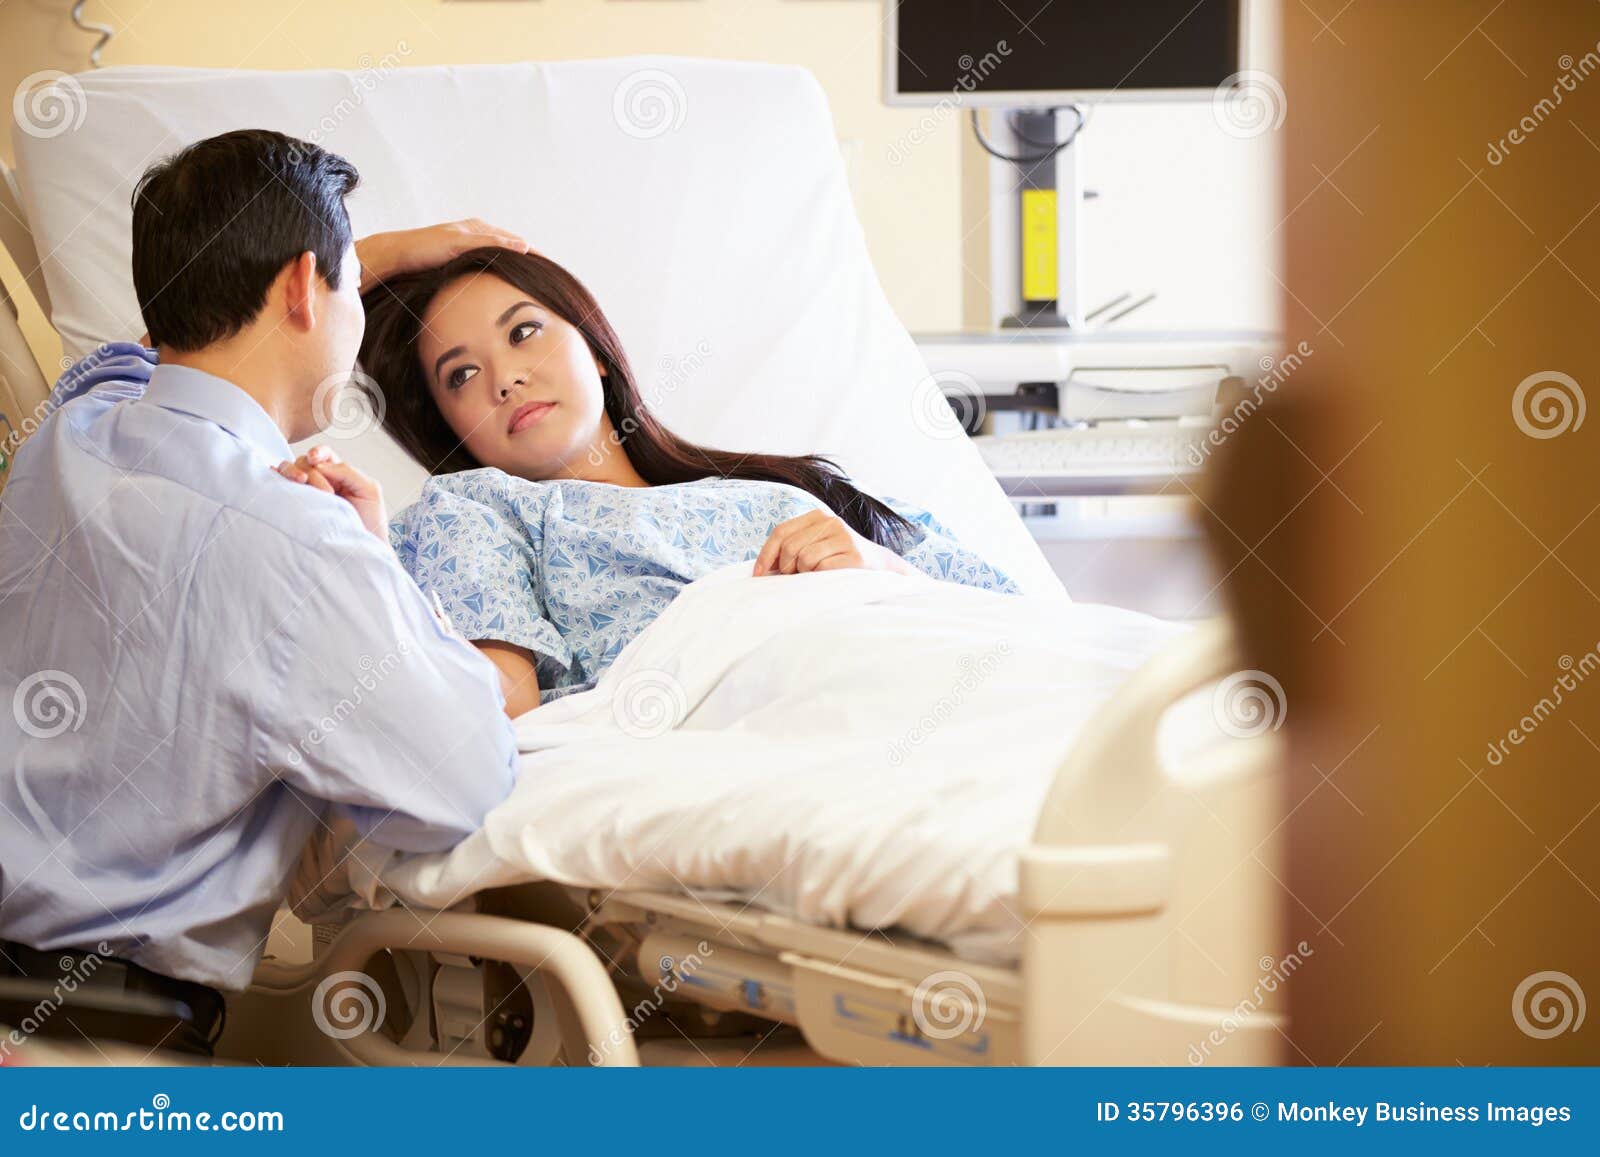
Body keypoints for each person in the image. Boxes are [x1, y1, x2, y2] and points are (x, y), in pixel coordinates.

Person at [0, 128, 528, 1055]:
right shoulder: (306, 547)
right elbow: (464, 780)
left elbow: (148, 351)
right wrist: (379, 569)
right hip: (86, 1060)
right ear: (300, 285)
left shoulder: (66, 434)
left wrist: (354, 258)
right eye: (351, 277)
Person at [352, 247, 1019, 716]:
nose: (504, 377)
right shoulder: (473, 511)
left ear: (597, 351)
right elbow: (492, 723)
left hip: (937, 682)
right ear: (450, 427)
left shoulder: (797, 487)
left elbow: (1019, 622)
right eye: (460, 375)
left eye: (524, 332)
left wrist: (876, 567)